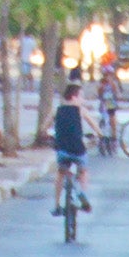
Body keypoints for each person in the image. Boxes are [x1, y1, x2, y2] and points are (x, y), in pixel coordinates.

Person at [50, 83, 96, 217]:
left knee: (60, 173)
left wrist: (45, 133)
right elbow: (94, 125)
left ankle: (57, 205)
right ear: (74, 97)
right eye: (81, 96)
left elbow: (44, 126)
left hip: (62, 149)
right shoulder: (80, 110)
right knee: (83, 170)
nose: (83, 100)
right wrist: (99, 134)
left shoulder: (56, 110)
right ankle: (83, 193)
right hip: (78, 149)